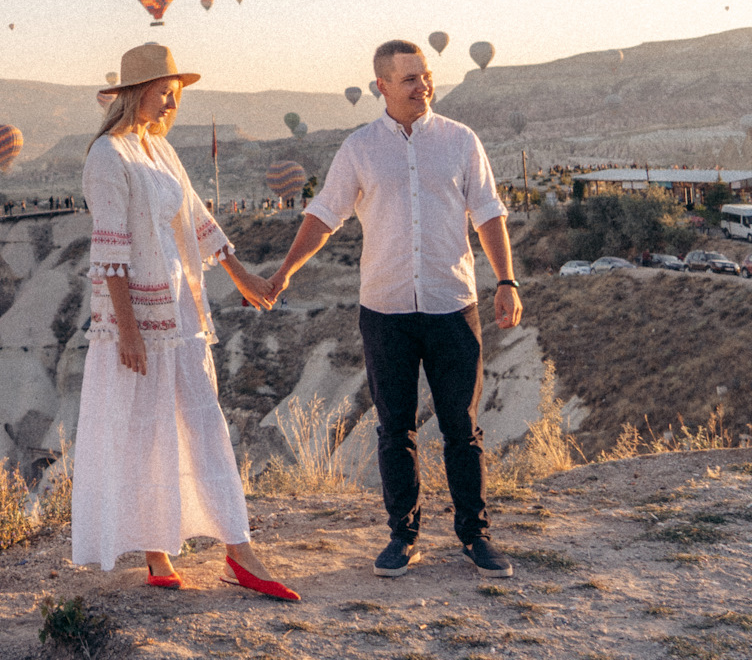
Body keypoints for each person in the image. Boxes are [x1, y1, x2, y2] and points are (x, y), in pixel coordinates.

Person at [268, 40, 522, 579]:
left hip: (453, 305)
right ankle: (403, 537)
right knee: (394, 429)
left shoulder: (461, 141)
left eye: (425, 74)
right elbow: (324, 215)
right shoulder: (359, 149)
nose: (422, 85)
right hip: (385, 311)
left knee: (462, 426)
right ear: (380, 85)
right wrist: (287, 269)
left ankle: (475, 537)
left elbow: (489, 213)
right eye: (409, 78)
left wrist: (506, 280)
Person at [71, 43, 298, 600]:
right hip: (138, 318)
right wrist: (126, 328)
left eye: (176, 90)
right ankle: (157, 550)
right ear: (136, 91)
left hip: (179, 308)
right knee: (147, 427)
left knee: (200, 421)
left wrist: (244, 278)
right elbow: (110, 251)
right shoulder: (109, 156)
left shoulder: (158, 150)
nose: (174, 98)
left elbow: (196, 219)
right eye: (165, 88)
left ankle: (237, 548)